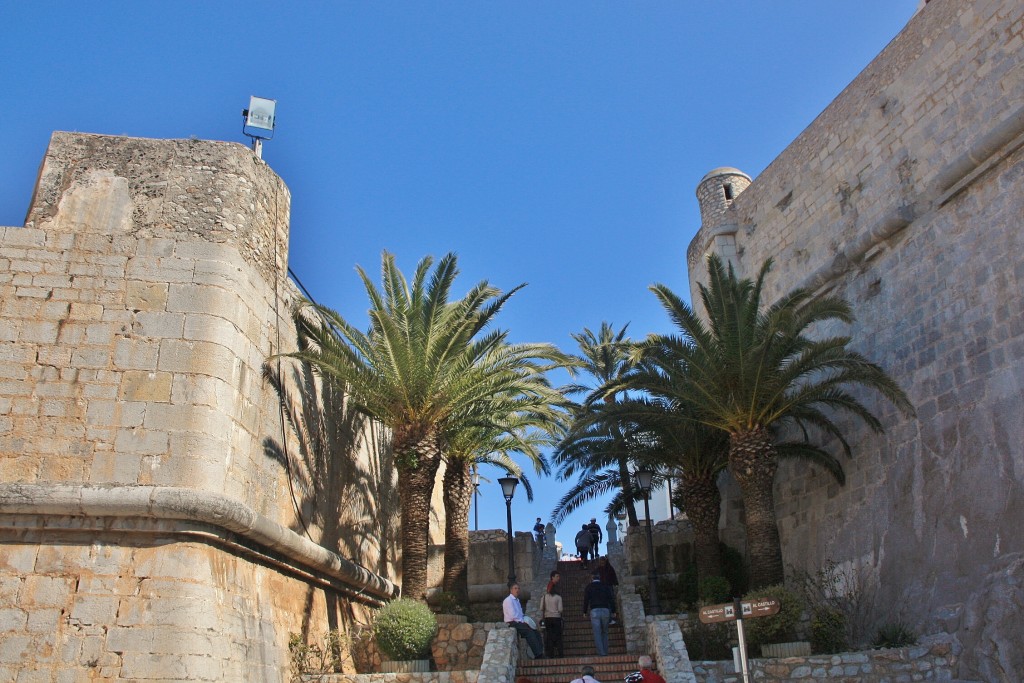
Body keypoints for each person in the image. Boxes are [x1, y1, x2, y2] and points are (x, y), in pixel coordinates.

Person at [503, 583, 544, 659]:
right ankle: (538, 654)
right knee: (529, 632)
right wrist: (523, 621)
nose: (517, 590)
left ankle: (540, 653)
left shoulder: (517, 600)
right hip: (513, 622)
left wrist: (525, 620)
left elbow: (520, 614)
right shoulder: (508, 601)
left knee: (536, 632)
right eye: (515, 588)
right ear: (511, 590)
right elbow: (513, 616)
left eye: (518, 588)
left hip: (519, 621)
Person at [582, 573, 616, 656]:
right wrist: (613, 611)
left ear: (592, 578)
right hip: (605, 610)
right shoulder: (605, 586)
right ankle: (605, 651)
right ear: (600, 578)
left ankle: (601, 653)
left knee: (597, 633)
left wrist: (584, 612)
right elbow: (611, 599)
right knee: (605, 632)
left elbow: (586, 600)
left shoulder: (589, 587)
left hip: (594, 611)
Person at [541, 579, 564, 658]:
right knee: (558, 636)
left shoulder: (544, 597)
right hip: (557, 618)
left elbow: (541, 608)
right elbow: (560, 609)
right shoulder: (558, 597)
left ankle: (551, 654)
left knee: (549, 636)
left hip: (548, 618)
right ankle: (560, 653)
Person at [595, 556, 619, 624]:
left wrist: (615, 583)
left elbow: (613, 576)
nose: (602, 564)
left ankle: (609, 619)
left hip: (608, 587)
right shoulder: (599, 569)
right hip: (603, 587)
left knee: (609, 603)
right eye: (601, 562)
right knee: (606, 603)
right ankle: (607, 619)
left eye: (603, 562)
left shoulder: (608, 568)